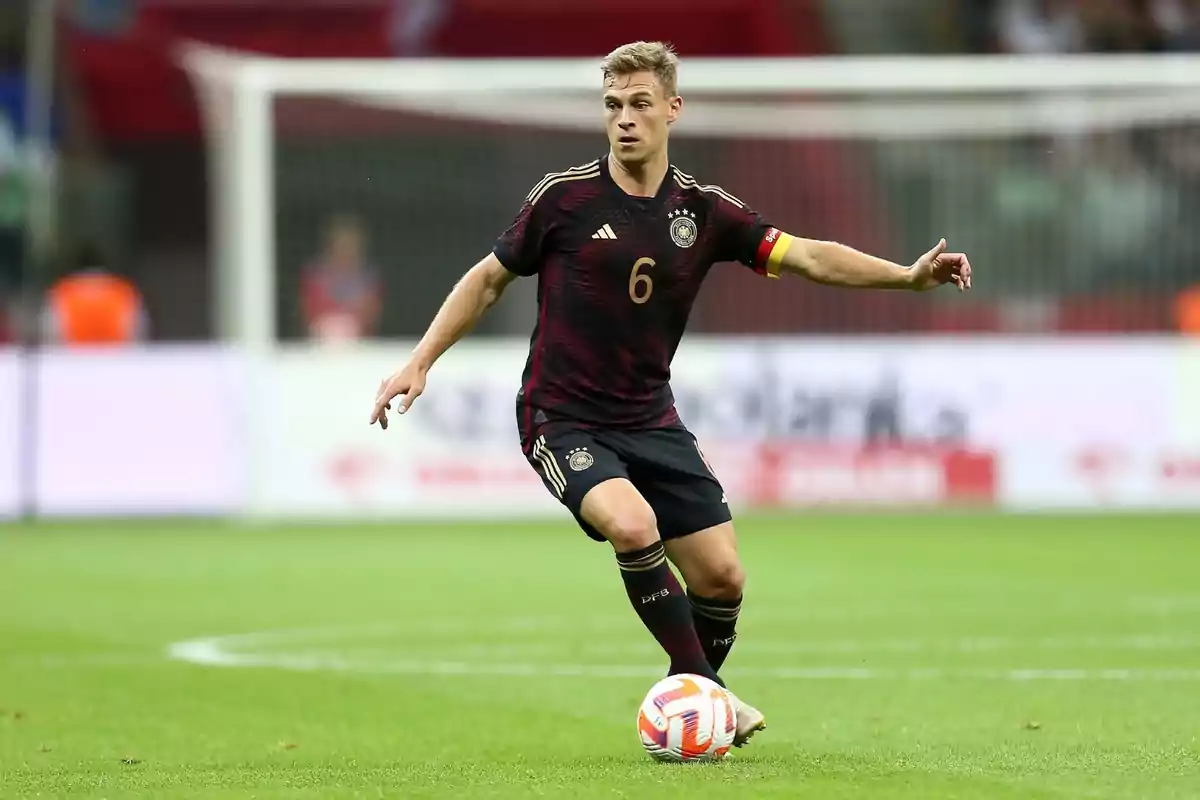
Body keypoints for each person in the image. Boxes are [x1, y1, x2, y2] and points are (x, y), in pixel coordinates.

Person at [369, 41, 971, 747]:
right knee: (632, 525)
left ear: (672, 111)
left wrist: (906, 276)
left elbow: (806, 254)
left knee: (722, 577)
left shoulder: (705, 212)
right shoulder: (563, 199)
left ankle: (689, 701)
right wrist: (421, 359)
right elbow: (489, 277)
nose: (624, 119)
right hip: (562, 419)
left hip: (651, 419)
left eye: (640, 105)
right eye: (613, 106)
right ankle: (705, 696)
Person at [300, 215, 382, 341]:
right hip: (321, 344)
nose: (347, 249)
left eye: (351, 243)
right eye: (341, 242)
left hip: (361, 345)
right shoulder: (316, 275)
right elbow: (308, 312)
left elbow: (372, 314)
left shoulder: (368, 277)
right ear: (331, 244)